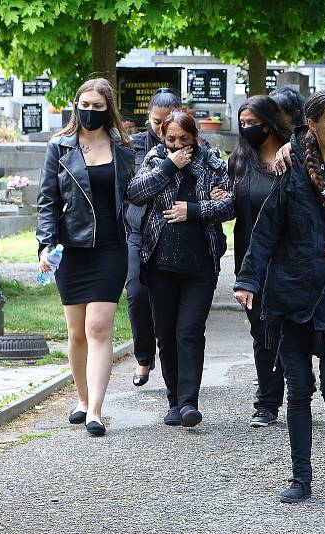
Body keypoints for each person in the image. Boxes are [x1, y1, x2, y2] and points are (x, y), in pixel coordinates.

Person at [234, 90, 325, 504]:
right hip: (292, 291)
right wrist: (248, 280)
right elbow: (267, 227)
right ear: (311, 124)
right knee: (298, 388)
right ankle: (301, 476)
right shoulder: (293, 161)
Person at [36, 78, 135, 436]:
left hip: (111, 248)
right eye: (85, 104)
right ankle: (81, 398)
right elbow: (46, 201)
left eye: (97, 106)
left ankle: (95, 410)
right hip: (71, 249)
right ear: (75, 106)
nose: (90, 111)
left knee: (97, 327)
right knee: (76, 332)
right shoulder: (59, 148)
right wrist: (45, 245)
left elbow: (137, 191)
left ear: (108, 108)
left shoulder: (123, 148)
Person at [127, 109, 234, 428]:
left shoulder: (212, 161)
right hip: (160, 262)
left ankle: (189, 402)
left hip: (200, 264)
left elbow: (230, 205)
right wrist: (168, 167)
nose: (177, 145)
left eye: (184, 140)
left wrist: (197, 209)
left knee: (188, 331)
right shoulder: (154, 160)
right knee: (166, 333)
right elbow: (134, 193)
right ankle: (173, 400)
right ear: (162, 137)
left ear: (195, 137)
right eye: (170, 139)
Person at [211, 96, 292, 427]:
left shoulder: (293, 156)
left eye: (252, 123)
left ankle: (300, 387)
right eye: (242, 123)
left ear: (270, 123)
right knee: (262, 331)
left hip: (288, 256)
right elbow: (233, 205)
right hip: (250, 258)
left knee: (290, 330)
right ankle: (267, 402)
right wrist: (223, 199)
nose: (247, 129)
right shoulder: (240, 161)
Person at [127, 88, 180, 388]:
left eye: (167, 121)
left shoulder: (190, 143)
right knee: (135, 294)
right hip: (139, 230)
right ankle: (143, 357)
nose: (162, 130)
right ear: (148, 117)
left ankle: (172, 363)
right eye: (156, 121)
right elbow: (134, 189)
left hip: (173, 232)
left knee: (166, 303)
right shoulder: (133, 147)